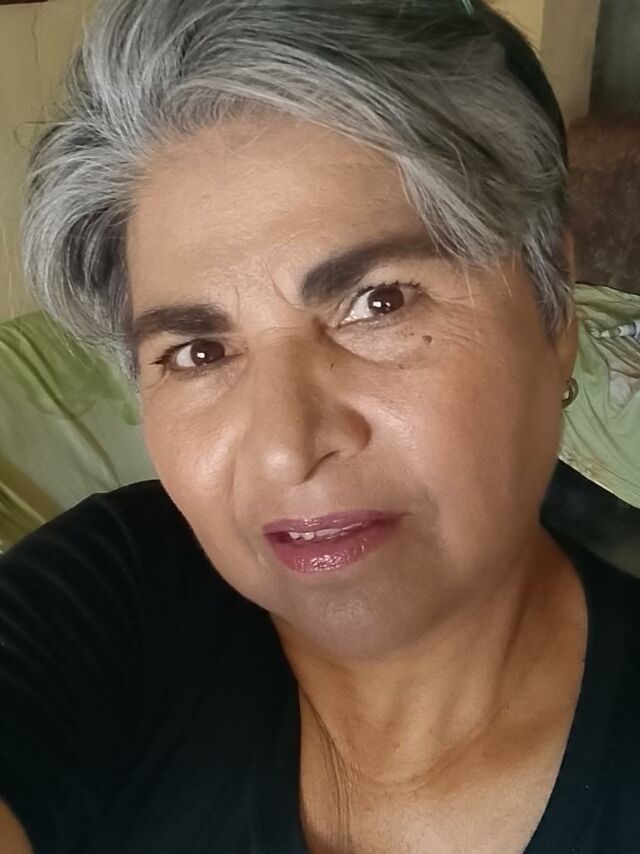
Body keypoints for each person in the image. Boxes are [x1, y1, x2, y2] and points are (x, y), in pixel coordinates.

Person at [1, 0, 639, 851]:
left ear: (552, 307)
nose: (286, 447)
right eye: (197, 352)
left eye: (379, 302)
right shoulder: (111, 599)